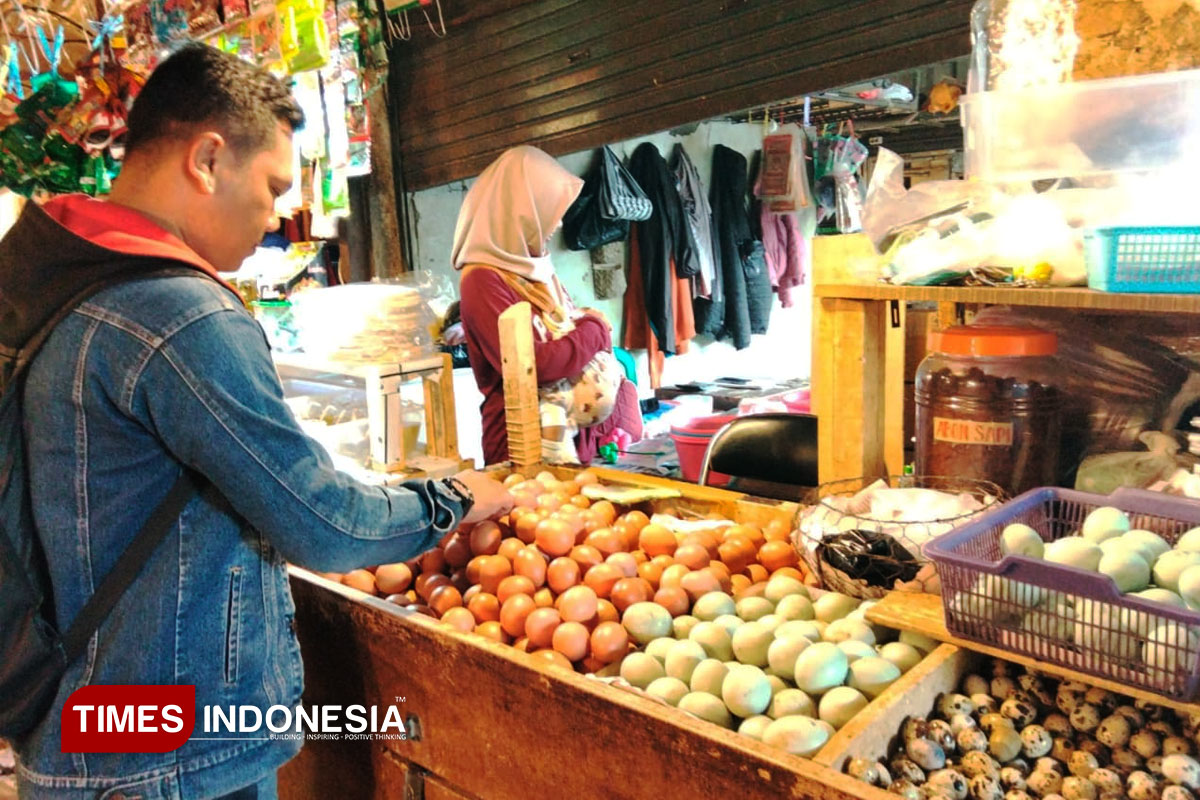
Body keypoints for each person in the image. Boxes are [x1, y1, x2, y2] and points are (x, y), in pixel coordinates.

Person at [0, 44, 511, 800]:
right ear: (208, 159)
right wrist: (458, 498)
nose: (277, 214)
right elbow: (323, 522)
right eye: (273, 186)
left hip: (82, 720)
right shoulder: (177, 314)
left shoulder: (40, 283)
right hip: (170, 754)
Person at [454, 146, 642, 465]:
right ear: (519, 211)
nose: (555, 225)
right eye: (547, 213)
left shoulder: (536, 269)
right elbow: (536, 364)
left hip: (571, 445)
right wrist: (595, 329)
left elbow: (566, 332)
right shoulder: (483, 281)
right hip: (524, 451)